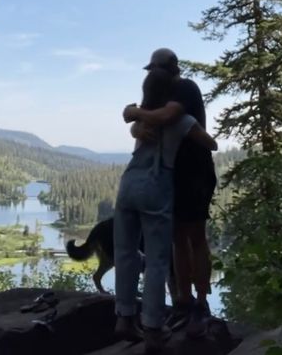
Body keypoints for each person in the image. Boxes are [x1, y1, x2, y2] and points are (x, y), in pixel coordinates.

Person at [114, 68, 217, 354]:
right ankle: (155, 326)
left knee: (127, 253)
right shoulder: (179, 119)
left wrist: (134, 115)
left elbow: (148, 117)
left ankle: (124, 316)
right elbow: (211, 142)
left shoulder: (151, 113)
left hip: (128, 185)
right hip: (158, 185)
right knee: (159, 260)